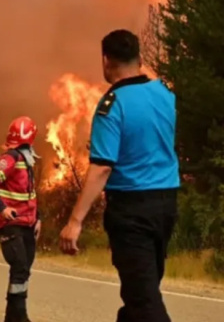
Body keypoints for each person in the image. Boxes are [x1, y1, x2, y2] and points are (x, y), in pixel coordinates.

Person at [58, 29, 179, 322]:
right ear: (139, 58)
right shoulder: (165, 94)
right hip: (166, 206)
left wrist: (75, 221)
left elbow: (102, 167)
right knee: (140, 294)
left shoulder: (112, 106)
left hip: (132, 211)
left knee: (144, 301)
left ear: (106, 60)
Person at [0, 116, 41, 322]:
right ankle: (20, 318)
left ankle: (12, 317)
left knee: (23, 272)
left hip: (27, 224)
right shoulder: (10, 158)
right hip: (11, 225)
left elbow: (30, 193)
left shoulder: (27, 159)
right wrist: (3, 209)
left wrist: (38, 218)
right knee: (20, 268)